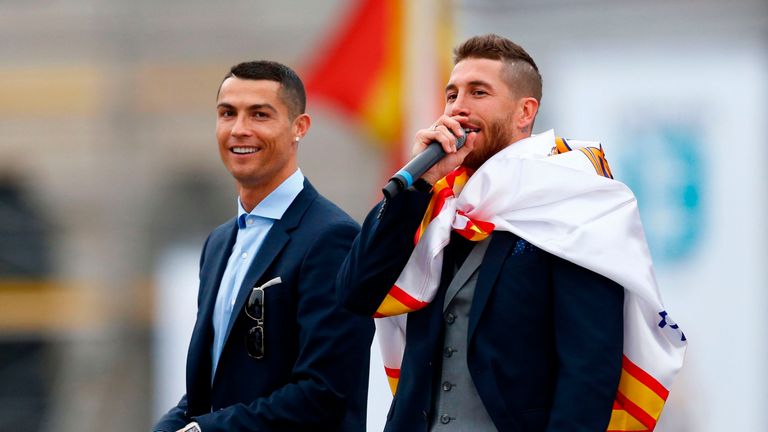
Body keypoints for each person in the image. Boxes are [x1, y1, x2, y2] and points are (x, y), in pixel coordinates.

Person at [337, 34, 628, 431]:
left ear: (525, 112)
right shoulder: (435, 203)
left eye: (478, 92)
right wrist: (418, 187)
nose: (459, 107)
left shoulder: (574, 203)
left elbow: (589, 368)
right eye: (452, 94)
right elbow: (356, 293)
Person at [153, 61, 374, 432]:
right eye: (228, 114)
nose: (240, 130)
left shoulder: (332, 239)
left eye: (260, 115)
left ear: (299, 128)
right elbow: (209, 386)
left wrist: (206, 430)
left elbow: (325, 392)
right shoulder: (219, 242)